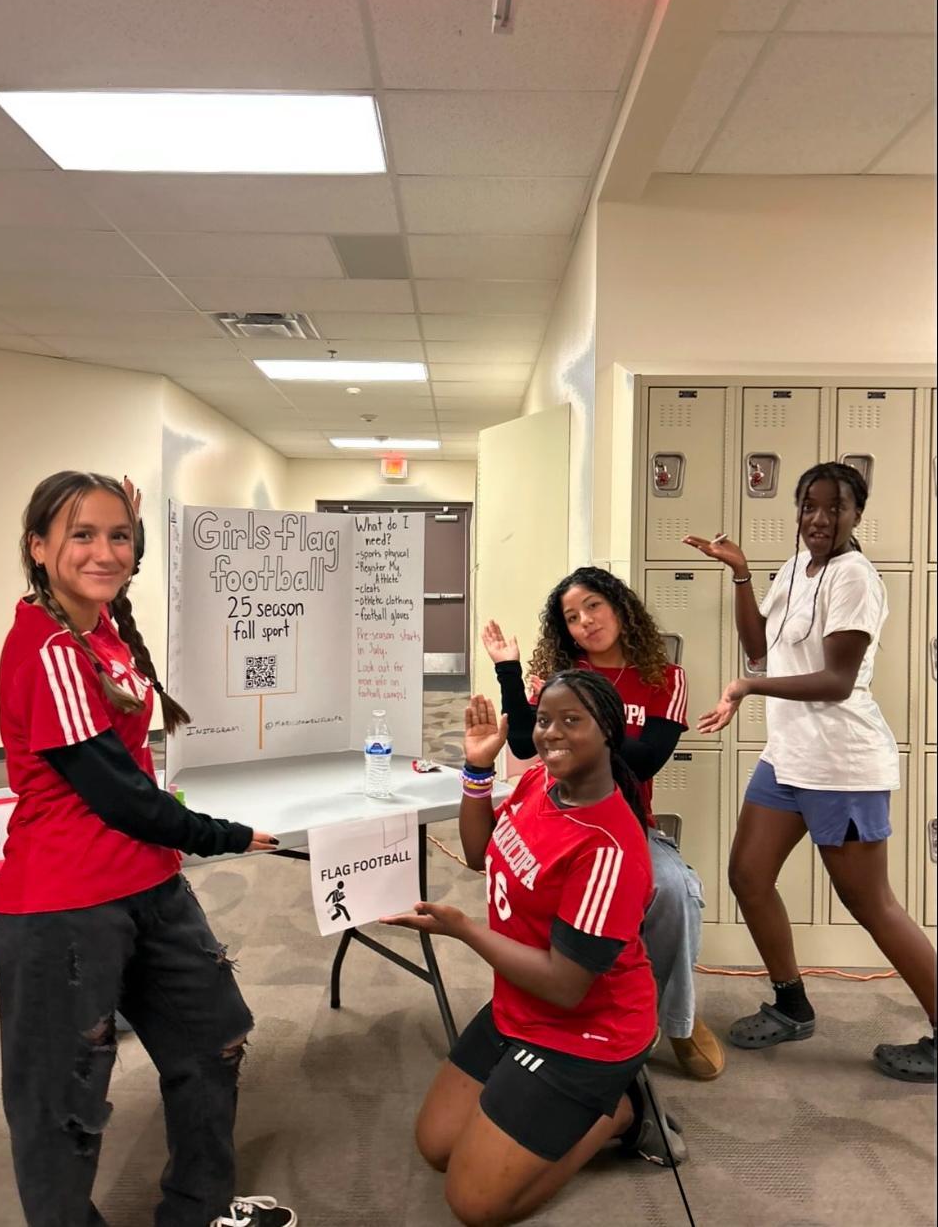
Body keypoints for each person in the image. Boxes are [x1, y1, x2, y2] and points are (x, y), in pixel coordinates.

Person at [0, 471, 297, 1227]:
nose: (105, 552)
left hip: (147, 883)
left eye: (119, 536)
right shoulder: (48, 648)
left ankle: (199, 1210)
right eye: (82, 535)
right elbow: (118, 794)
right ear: (38, 547)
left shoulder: (100, 629)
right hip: (64, 909)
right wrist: (222, 835)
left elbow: (131, 780)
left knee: (212, 1041)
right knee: (63, 1107)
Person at [685, 461, 937, 1083]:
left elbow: (837, 680)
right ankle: (791, 1004)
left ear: (856, 515)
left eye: (834, 507)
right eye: (809, 507)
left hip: (842, 765)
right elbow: (759, 648)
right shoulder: (798, 565)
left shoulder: (855, 578)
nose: (819, 519)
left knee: (871, 904)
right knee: (748, 875)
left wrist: (748, 688)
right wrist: (741, 574)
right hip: (789, 757)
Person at [382, 674, 658, 1227]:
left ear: (608, 730)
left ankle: (623, 1113)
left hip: (585, 1032)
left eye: (571, 721)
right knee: (436, 1145)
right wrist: (477, 769)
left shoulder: (608, 847)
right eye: (545, 720)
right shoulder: (539, 781)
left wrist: (465, 929)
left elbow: (566, 985)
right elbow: (479, 852)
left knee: (475, 1203)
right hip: (519, 1004)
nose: (551, 733)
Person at [481, 567, 725, 1082]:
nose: (586, 622)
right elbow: (525, 742)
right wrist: (508, 670)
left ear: (619, 608)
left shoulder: (665, 679)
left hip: (627, 823)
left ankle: (676, 1021)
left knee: (675, 891)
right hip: (558, 817)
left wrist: (571, 733)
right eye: (572, 617)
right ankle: (557, 1006)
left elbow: (647, 759)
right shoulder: (563, 675)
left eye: (593, 606)